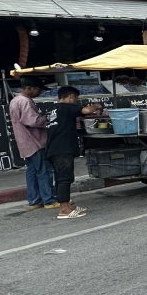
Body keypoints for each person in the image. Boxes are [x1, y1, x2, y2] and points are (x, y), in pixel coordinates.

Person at [46, 86, 102, 219]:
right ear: (71, 97)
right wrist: (97, 106)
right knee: (64, 178)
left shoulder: (54, 109)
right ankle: (64, 210)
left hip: (53, 148)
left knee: (62, 177)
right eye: (76, 98)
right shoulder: (67, 107)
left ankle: (67, 205)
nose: (76, 101)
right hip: (62, 149)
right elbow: (87, 110)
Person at [9, 77, 55, 209]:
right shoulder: (25, 101)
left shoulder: (15, 100)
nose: (39, 93)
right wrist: (47, 118)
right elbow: (32, 121)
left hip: (25, 142)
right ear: (29, 88)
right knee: (43, 171)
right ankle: (49, 200)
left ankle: (34, 201)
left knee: (32, 171)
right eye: (38, 90)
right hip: (34, 141)